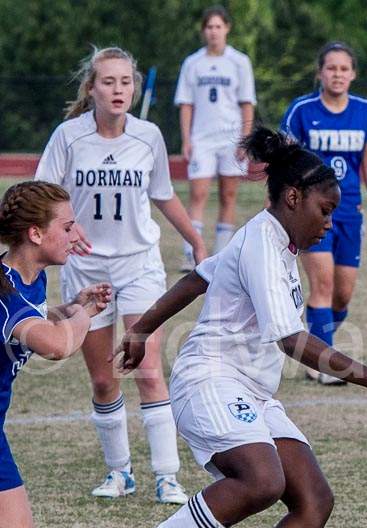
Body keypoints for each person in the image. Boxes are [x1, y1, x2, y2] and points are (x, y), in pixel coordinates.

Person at [106, 128, 367, 528]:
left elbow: (198, 278)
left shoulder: (273, 240)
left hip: (250, 390)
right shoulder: (262, 243)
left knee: (314, 498)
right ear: (292, 197)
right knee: (261, 479)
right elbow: (292, 340)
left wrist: (141, 329)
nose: (330, 221)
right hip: (208, 378)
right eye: (325, 209)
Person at [36, 46, 207, 504]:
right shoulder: (68, 137)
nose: (118, 90)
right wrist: (65, 234)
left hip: (139, 265)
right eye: (108, 82)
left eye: (125, 82)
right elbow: (44, 195)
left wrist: (196, 238)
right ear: (92, 89)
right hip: (86, 270)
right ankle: (119, 472)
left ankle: (167, 476)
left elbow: (163, 195)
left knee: (149, 369)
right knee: (103, 378)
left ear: (134, 88)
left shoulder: (149, 136)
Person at [0, 180, 112, 528]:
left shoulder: (32, 278)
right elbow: (55, 346)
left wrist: (71, 308)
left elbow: (37, 321)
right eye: (67, 227)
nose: (75, 235)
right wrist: (86, 317)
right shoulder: (6, 291)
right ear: (35, 233)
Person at [280, 41, 367, 385]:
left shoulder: (366, 112)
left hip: (350, 213)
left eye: (344, 69)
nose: (337, 75)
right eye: (331, 68)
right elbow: (286, 160)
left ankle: (312, 345)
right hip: (312, 210)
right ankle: (324, 363)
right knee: (322, 284)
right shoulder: (302, 110)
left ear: (353, 74)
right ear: (320, 73)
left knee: (343, 295)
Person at [175, 4, 256, 269]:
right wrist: (186, 139)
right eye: (209, 27)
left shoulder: (239, 62)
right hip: (202, 138)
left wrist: (245, 139)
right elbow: (186, 104)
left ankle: (221, 255)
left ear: (227, 29)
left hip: (231, 139)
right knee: (198, 194)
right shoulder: (193, 63)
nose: (214, 32)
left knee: (228, 195)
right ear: (203, 31)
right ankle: (191, 253)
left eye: (218, 27)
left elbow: (246, 103)